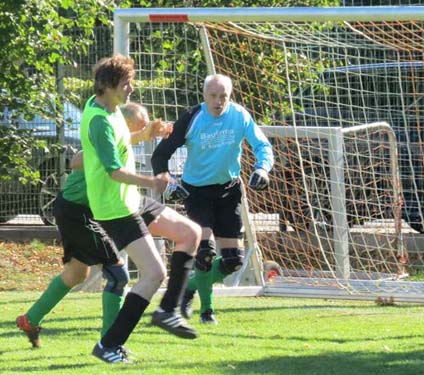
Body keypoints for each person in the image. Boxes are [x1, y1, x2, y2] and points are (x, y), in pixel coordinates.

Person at [15, 102, 170, 350]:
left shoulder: (121, 144)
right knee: (117, 275)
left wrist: (148, 133)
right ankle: (110, 343)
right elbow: (76, 160)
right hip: (77, 211)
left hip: (78, 209)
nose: (144, 129)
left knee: (77, 274)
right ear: (125, 124)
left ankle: (29, 320)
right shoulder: (107, 137)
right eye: (141, 124)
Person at [80, 55, 201, 364]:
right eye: (126, 83)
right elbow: (114, 171)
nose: (131, 88)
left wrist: (146, 135)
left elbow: (118, 143)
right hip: (115, 208)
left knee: (190, 233)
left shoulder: (111, 109)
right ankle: (108, 345)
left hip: (129, 199)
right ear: (108, 86)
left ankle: (167, 311)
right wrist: (153, 181)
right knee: (153, 273)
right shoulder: (98, 120)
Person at [151, 73, 274, 325]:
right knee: (204, 254)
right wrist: (171, 183)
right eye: (213, 96)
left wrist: (262, 168)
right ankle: (207, 312)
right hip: (197, 192)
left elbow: (263, 146)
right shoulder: (191, 118)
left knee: (233, 261)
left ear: (230, 96)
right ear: (204, 95)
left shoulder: (239, 116)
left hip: (229, 191)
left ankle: (190, 287)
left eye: (223, 97)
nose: (218, 102)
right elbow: (160, 155)